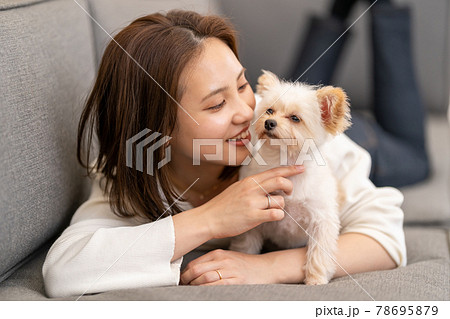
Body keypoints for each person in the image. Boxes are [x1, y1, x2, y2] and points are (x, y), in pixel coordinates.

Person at [42, 10, 405, 298]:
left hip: (378, 149)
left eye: (243, 84)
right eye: (217, 104)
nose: (249, 113)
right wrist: (212, 218)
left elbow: (386, 238)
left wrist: (269, 268)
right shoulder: (134, 176)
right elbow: (63, 270)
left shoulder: (294, 136)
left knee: (409, 146)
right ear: (158, 133)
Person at [289, 0, 429, 188]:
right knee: (292, 100)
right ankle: (345, 11)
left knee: (415, 159)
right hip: (340, 140)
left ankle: (369, 8)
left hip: (337, 142)